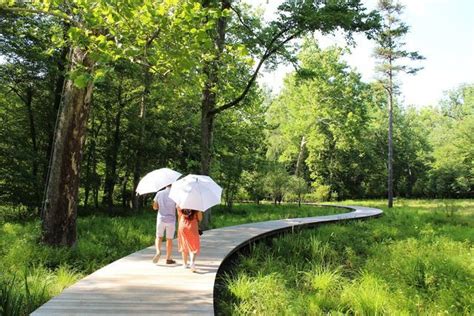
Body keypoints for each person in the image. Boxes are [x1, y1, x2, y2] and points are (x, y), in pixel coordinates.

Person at [152, 185, 177, 264]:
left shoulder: (159, 193)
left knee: (159, 237)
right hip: (171, 220)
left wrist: (161, 206)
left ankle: (158, 252)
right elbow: (177, 207)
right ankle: (168, 258)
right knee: (169, 239)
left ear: (165, 184)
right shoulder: (175, 194)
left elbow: (155, 207)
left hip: (161, 219)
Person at [177, 207, 203, 272]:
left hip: (182, 225)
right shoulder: (196, 206)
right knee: (194, 244)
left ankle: (185, 264)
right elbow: (200, 219)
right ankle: (192, 262)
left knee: (184, 243)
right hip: (192, 226)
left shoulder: (180, 205)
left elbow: (179, 216)